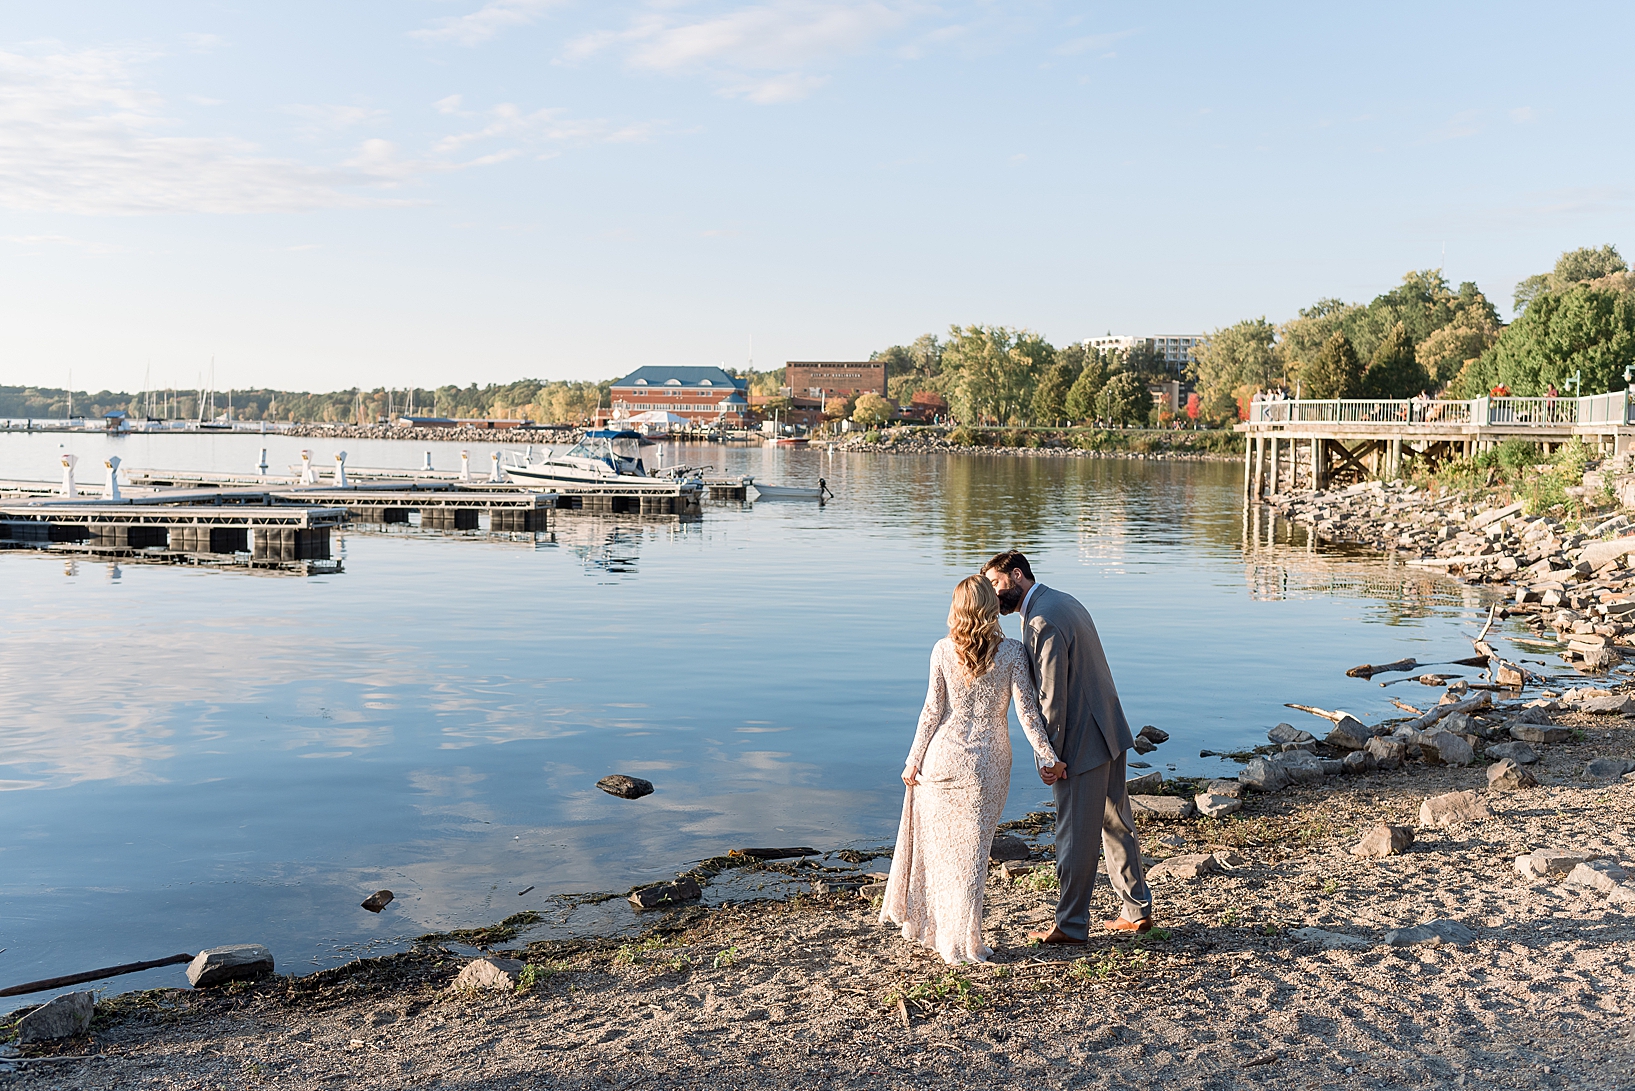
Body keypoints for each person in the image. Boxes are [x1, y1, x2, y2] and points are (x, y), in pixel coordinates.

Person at [881, 575, 1059, 964]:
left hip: (940, 760)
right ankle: (964, 942)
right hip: (986, 764)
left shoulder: (943, 650)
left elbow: (932, 712)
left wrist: (913, 760)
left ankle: (944, 935)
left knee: (942, 853)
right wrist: (1047, 756)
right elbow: (1028, 715)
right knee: (973, 856)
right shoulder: (1012, 652)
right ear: (991, 608)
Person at [982, 550, 1153, 941]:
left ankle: (1071, 924)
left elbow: (1051, 694)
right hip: (1108, 726)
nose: (992, 595)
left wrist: (1050, 755)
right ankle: (1136, 909)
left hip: (1078, 738)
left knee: (1074, 833)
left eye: (995, 583)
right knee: (1116, 822)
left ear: (1017, 575)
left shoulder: (1042, 620)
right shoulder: (1063, 599)